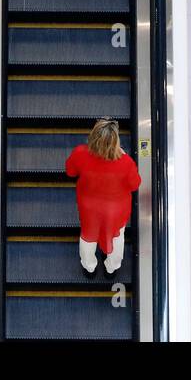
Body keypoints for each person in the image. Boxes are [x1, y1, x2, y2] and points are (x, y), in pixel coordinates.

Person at [65, 118, 140, 278]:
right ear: (115, 142)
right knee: (116, 237)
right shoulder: (126, 162)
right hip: (115, 211)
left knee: (88, 237)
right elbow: (135, 185)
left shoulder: (80, 153)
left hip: (89, 209)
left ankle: (89, 268)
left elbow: (70, 172)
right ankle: (111, 268)